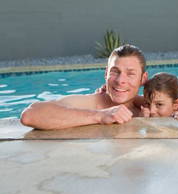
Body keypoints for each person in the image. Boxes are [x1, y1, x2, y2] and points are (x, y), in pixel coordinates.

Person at [20, 44, 148, 130]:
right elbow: (30, 115)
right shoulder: (91, 103)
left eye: (130, 74)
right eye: (115, 72)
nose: (120, 81)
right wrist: (100, 116)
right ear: (106, 74)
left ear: (143, 79)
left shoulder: (150, 107)